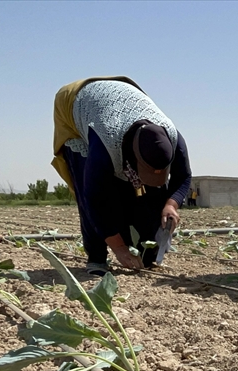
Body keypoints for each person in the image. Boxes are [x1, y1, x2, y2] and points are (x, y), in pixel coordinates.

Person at [51, 77, 193, 276]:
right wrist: (119, 248)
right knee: (100, 189)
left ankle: (147, 253)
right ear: (132, 159)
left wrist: (171, 205)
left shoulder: (173, 139)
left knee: (151, 196)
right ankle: (97, 258)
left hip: (124, 99)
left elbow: (184, 176)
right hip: (76, 102)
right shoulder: (105, 144)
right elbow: (94, 199)